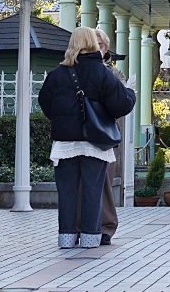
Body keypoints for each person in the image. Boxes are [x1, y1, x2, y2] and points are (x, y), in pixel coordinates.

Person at [39, 27, 136, 248]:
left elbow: (45, 103)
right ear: (93, 43)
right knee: (93, 189)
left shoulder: (58, 73)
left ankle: (66, 237)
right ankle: (91, 238)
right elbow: (120, 104)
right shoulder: (102, 72)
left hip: (65, 142)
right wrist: (130, 94)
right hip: (95, 141)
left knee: (67, 192)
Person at [92, 28, 128, 245]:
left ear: (106, 49)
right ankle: (81, 226)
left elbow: (120, 103)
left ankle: (106, 227)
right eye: (93, 44)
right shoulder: (73, 71)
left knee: (105, 181)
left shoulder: (115, 74)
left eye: (101, 45)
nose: (97, 49)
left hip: (105, 134)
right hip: (78, 136)